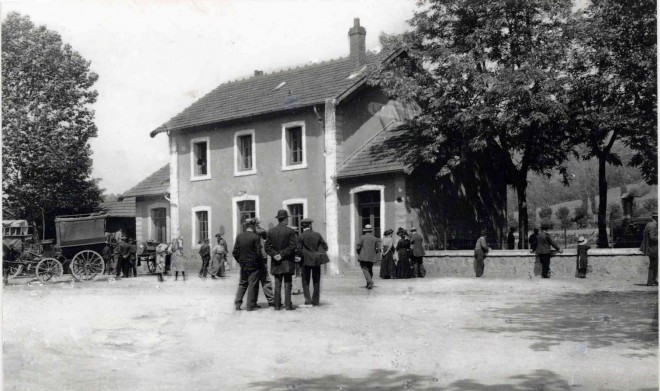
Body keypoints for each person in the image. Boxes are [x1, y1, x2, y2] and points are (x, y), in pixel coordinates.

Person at [265, 210, 298, 310]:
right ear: (285, 219)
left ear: (278, 219)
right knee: (288, 283)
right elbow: (293, 246)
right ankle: (288, 305)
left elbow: (267, 247)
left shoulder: (271, 231)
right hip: (287, 261)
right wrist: (282, 254)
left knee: (277, 284)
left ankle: (277, 305)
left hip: (276, 262)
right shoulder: (290, 231)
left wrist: (275, 255)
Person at [232, 218, 264, 311]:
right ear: (253, 226)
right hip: (254, 264)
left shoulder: (239, 236)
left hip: (243, 264)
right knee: (252, 284)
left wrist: (240, 261)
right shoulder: (255, 237)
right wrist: (259, 263)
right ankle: (250, 305)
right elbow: (258, 253)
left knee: (242, 283)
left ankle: (238, 303)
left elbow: (235, 252)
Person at [297, 218, 329, 306]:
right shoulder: (317, 235)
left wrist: (300, 256)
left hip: (305, 261)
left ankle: (308, 300)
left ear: (303, 226)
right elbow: (325, 247)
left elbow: (298, 249)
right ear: (310, 225)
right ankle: (316, 301)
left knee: (305, 281)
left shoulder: (301, 236)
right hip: (316, 261)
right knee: (316, 281)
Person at [253, 220, 275, 308]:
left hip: (261, 259)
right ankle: (270, 301)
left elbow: (266, 233)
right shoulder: (254, 233)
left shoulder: (260, 235)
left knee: (264, 281)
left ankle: (270, 300)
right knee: (264, 280)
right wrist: (260, 229)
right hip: (258, 259)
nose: (258, 225)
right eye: (257, 224)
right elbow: (262, 231)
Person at [356, 224, 380, 289]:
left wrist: (359, 253)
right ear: (371, 231)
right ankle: (368, 284)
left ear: (365, 231)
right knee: (370, 270)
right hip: (372, 257)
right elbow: (377, 248)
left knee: (365, 269)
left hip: (363, 256)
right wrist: (374, 254)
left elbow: (358, 247)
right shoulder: (375, 238)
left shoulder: (362, 237)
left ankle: (370, 281)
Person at [640, 211, 658, 286]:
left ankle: (653, 280)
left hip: (652, 248)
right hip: (653, 248)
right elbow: (652, 238)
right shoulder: (652, 225)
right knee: (653, 265)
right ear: (656, 217)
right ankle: (650, 281)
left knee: (654, 264)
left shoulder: (649, 224)